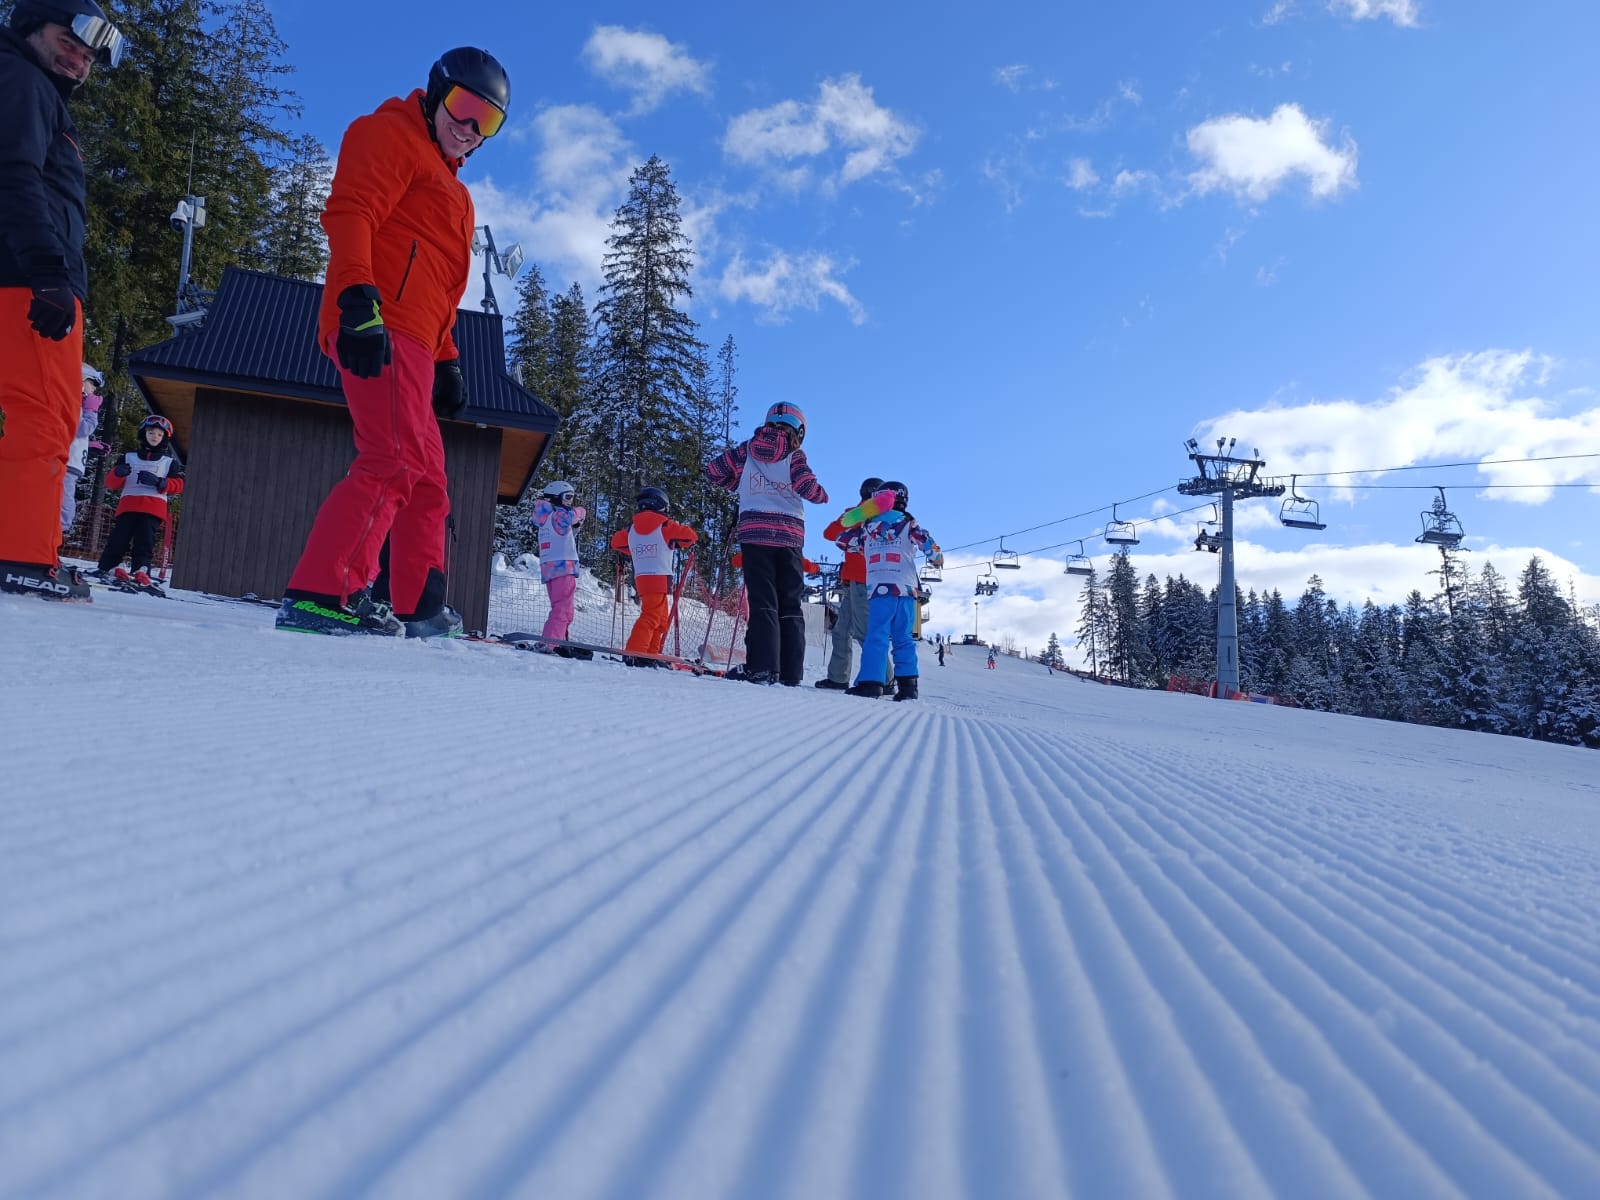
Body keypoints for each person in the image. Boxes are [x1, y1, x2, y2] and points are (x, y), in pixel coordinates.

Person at [275, 47, 510, 638]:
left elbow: (440, 282)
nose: (470, 128)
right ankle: (322, 593)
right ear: (435, 93)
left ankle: (420, 604)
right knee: (394, 459)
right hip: (381, 320)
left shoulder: (456, 194)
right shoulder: (389, 133)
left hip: (420, 339)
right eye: (462, 106)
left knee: (429, 476)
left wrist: (449, 359)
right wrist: (358, 298)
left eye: (488, 121)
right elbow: (351, 211)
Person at [0, 0, 125, 602]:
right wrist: (49, 271)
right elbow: (15, 174)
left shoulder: (26, 87)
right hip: (30, 282)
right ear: (31, 27)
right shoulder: (22, 80)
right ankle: (22, 558)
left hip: (24, 275)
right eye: (70, 40)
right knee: (44, 419)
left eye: (92, 54)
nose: (81, 58)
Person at [705, 402, 829, 685]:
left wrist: (737, 484)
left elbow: (714, 471)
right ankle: (790, 672)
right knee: (790, 603)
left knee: (763, 601)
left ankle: (761, 667)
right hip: (789, 535)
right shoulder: (795, 454)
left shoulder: (746, 450)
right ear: (799, 430)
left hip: (755, 532)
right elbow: (806, 486)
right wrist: (822, 495)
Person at [846, 481, 940, 702]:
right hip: (906, 590)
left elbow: (843, 542)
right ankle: (908, 687)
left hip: (880, 589)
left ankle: (871, 683)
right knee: (904, 638)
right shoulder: (910, 525)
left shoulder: (868, 528)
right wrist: (937, 558)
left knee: (877, 635)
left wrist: (860, 516)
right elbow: (931, 548)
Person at [96, 414, 183, 587]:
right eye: (151, 432)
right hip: (128, 506)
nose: (154, 436)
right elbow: (110, 483)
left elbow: (180, 485)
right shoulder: (128, 457)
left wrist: (160, 482)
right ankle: (108, 566)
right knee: (118, 538)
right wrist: (118, 473)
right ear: (144, 434)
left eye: (159, 434)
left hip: (153, 509)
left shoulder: (169, 462)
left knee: (145, 541)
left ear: (164, 438)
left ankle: (141, 569)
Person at [610, 485, 697, 656]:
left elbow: (616, 543)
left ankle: (651, 653)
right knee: (651, 617)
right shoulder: (665, 526)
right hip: (658, 578)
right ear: (663, 506)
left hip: (643, 579)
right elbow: (691, 536)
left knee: (660, 619)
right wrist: (674, 540)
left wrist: (635, 548)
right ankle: (636, 652)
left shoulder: (631, 529)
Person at [815, 476, 882, 690]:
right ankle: (838, 677)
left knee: (863, 632)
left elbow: (830, 533)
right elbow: (830, 534)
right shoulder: (874, 515)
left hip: (864, 580)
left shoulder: (867, 516)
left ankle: (883, 678)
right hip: (857, 581)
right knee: (842, 630)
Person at [534, 480, 585, 644]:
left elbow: (566, 534)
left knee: (563, 609)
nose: (570, 501)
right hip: (563, 566)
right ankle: (550, 643)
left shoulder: (546, 517)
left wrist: (575, 526)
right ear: (556, 497)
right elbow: (577, 514)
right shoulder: (559, 515)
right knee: (563, 609)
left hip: (550, 566)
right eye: (568, 496)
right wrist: (580, 513)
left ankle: (560, 641)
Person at [61, 361, 102, 532]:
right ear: (81, 382)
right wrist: (92, 412)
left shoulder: (76, 405)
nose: (93, 391)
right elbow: (82, 428)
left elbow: (72, 433)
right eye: (92, 385)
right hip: (66, 465)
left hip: (71, 464)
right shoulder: (73, 404)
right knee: (64, 502)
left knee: (65, 500)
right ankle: (57, 536)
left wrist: (89, 445)